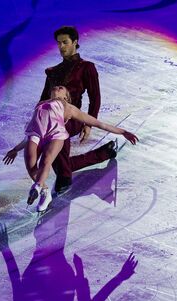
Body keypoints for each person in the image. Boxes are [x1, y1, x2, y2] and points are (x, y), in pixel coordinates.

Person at [3, 85, 138, 213]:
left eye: (61, 88)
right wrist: (15, 149)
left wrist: (122, 132)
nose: (57, 87)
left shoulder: (68, 107)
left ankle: (37, 186)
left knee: (46, 161)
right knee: (31, 167)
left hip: (56, 136)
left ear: (66, 97)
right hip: (35, 135)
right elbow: (35, 128)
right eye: (56, 87)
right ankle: (44, 192)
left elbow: (98, 123)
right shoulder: (40, 105)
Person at [40, 25, 119, 193]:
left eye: (65, 42)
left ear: (75, 42)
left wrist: (88, 124)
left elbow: (95, 97)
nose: (61, 47)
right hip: (51, 119)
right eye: (59, 43)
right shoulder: (53, 72)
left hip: (74, 118)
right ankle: (104, 152)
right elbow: (42, 100)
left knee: (56, 134)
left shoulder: (86, 67)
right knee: (59, 157)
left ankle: (65, 178)